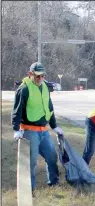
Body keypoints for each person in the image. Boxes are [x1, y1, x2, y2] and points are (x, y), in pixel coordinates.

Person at [11, 62, 64, 194]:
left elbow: (49, 108)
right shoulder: (23, 89)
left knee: (52, 156)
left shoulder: (45, 86)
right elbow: (17, 110)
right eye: (37, 76)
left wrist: (54, 126)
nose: (40, 79)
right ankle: (29, 190)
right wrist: (16, 129)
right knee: (32, 161)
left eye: (42, 76)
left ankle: (54, 183)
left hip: (43, 130)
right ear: (30, 74)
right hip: (29, 130)